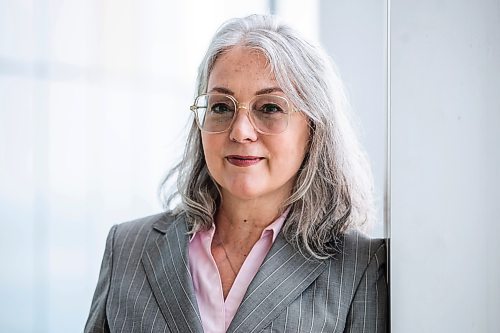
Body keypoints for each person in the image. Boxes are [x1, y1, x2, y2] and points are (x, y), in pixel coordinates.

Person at [85, 14, 387, 333]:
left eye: (269, 107)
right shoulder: (128, 248)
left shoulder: (360, 266)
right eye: (221, 107)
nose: (241, 131)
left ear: (314, 128)